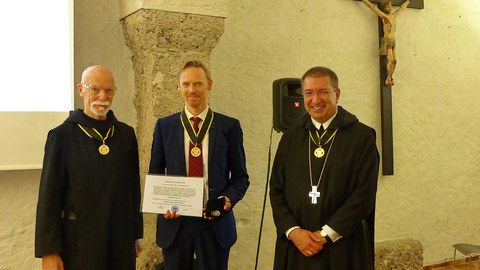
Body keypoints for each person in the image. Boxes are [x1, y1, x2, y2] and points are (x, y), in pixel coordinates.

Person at [269, 66, 379, 270]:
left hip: (343, 246)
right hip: (297, 246)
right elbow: (276, 190)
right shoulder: (290, 138)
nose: (315, 100)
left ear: (336, 94)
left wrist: (326, 233)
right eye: (309, 93)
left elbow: (364, 195)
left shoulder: (362, 137)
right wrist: (293, 231)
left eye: (322, 92)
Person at [35, 65, 143, 270]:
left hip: (119, 238)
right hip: (78, 242)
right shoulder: (62, 136)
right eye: (94, 89)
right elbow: (49, 196)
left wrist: (135, 233)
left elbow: (133, 190)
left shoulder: (126, 135)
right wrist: (49, 251)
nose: (102, 96)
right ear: (81, 90)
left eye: (109, 90)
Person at [149, 60, 249, 270]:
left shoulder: (228, 126)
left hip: (214, 221)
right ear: (178, 87)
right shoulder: (164, 126)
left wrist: (227, 199)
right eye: (186, 84)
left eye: (198, 84)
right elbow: (156, 173)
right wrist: (162, 204)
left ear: (209, 85)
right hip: (176, 222)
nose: (191, 90)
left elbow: (240, 177)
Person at [362, 0, 411, 86]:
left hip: (393, 41)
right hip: (387, 40)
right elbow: (372, 7)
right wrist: (364, 0)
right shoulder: (384, 16)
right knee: (391, 60)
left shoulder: (393, 16)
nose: (390, 8)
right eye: (388, 6)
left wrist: (407, 1)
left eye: (390, 6)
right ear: (384, 8)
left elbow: (401, 9)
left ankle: (390, 77)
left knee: (395, 61)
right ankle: (389, 77)